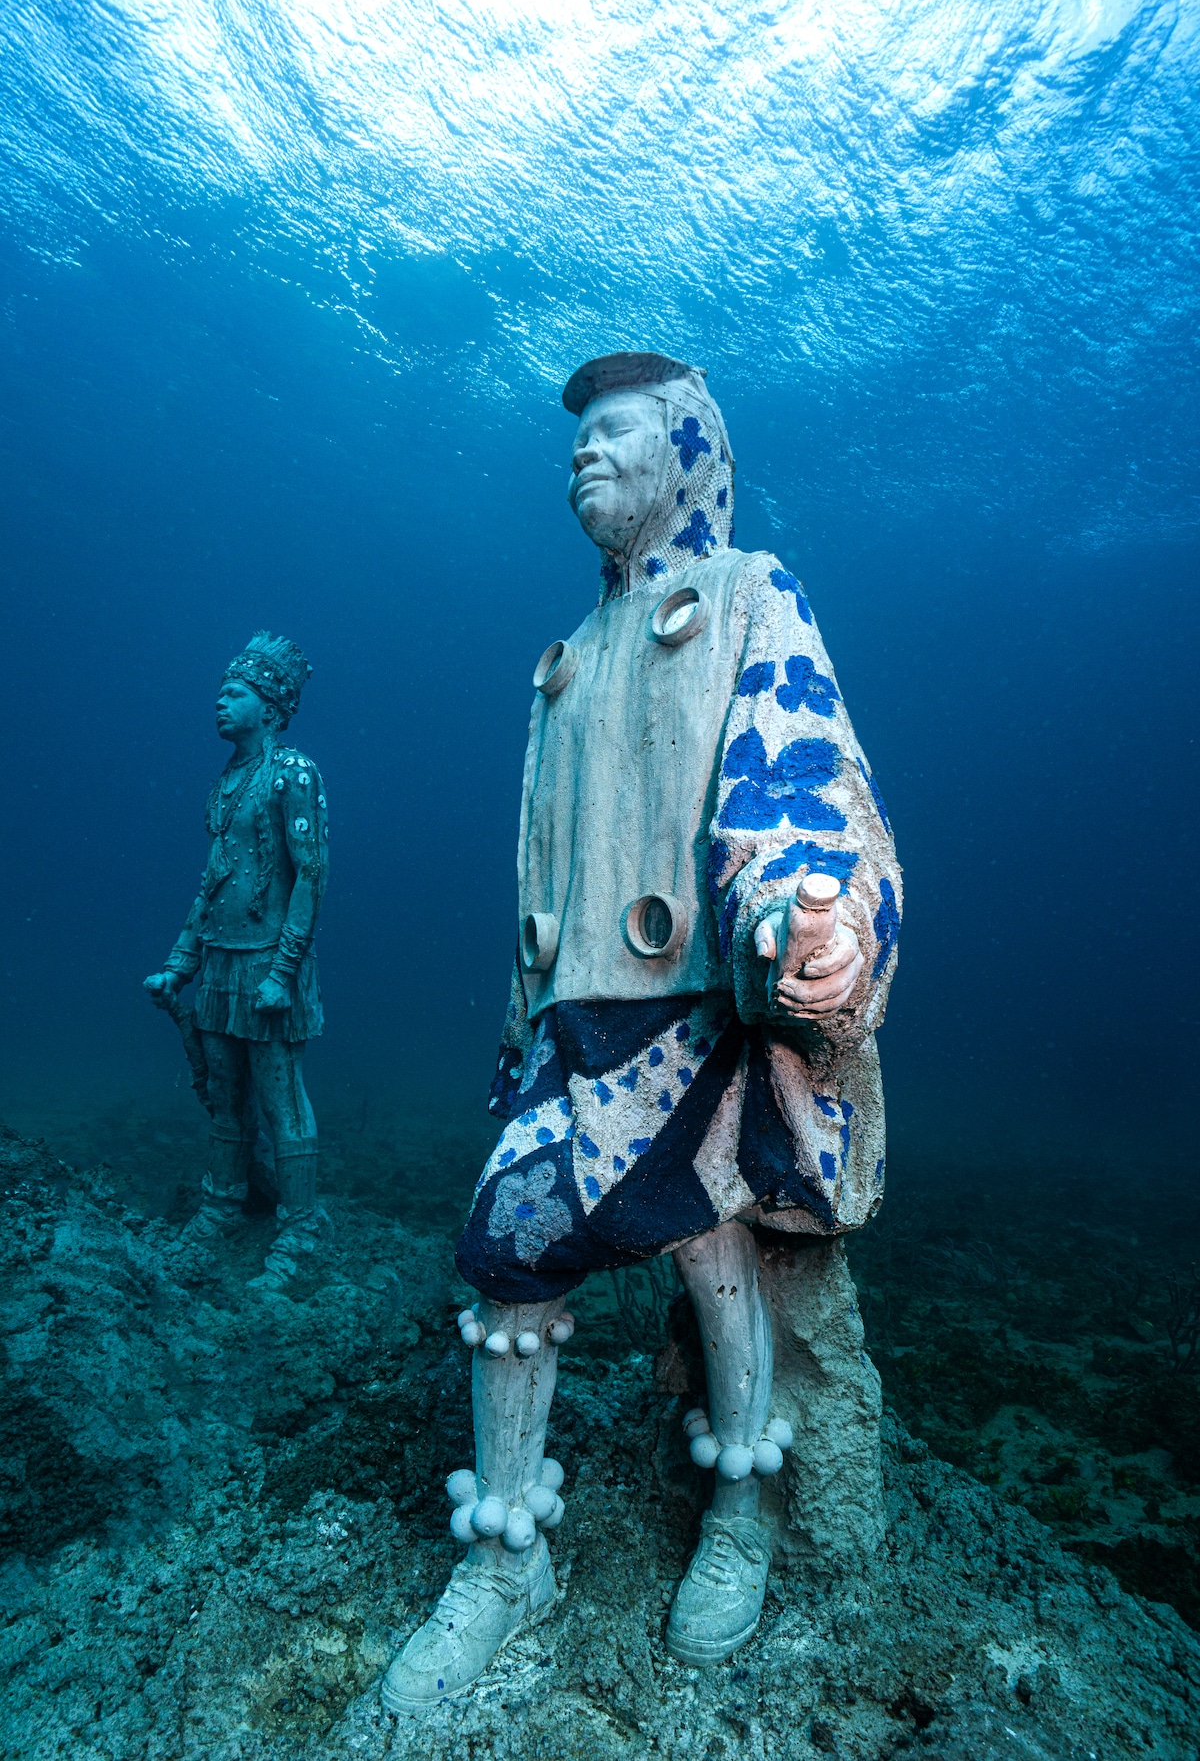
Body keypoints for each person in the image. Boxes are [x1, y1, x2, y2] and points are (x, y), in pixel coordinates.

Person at [382, 353, 900, 1710]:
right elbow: (538, 871)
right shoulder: (564, 663)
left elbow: (797, 764)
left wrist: (810, 920)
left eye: (614, 431)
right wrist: (521, 1026)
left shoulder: (747, 590)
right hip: (574, 1020)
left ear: (690, 449)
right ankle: (507, 1563)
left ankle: (745, 1507)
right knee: (506, 1255)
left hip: (696, 1006)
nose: (581, 455)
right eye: (580, 438)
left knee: (713, 1244)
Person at [144, 632, 329, 1290]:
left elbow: (309, 876)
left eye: (236, 691)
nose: (220, 700)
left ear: (272, 705)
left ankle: (302, 1222)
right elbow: (212, 880)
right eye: (223, 689)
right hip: (222, 967)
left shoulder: (293, 773)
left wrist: (283, 972)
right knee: (225, 1095)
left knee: (280, 1096)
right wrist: (180, 963)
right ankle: (223, 1202)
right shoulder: (226, 783)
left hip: (267, 968)